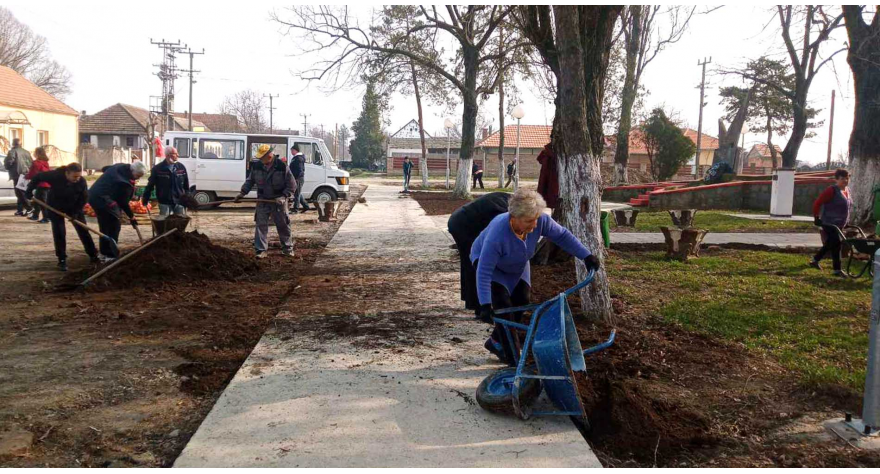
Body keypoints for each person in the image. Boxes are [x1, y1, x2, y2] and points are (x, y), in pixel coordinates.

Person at [471, 188, 601, 364]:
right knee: (503, 308)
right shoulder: (497, 234)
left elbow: (562, 236)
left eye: (536, 220)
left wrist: (586, 256)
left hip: (518, 261)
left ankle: (496, 341)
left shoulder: (540, 220)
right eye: (529, 221)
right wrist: (485, 304)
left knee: (522, 299)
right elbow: (484, 270)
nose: (534, 226)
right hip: (493, 266)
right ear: (514, 217)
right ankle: (514, 360)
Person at [448, 192, 512, 318]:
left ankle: (473, 302)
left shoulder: (508, 201)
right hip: (464, 225)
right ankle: (480, 306)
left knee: (470, 264)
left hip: (461, 221)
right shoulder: (505, 211)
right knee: (476, 263)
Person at [26, 163, 97, 271]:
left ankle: (93, 255)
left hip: (74, 206)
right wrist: (29, 190)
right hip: (55, 206)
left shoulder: (81, 181)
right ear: (67, 173)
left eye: (78, 176)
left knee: (83, 230)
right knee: (59, 232)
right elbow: (38, 177)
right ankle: (62, 259)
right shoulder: (55, 175)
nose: (77, 179)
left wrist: (75, 212)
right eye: (74, 176)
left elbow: (83, 198)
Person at [236, 144, 295, 258]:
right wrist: (242, 193)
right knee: (260, 225)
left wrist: (283, 197)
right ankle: (261, 250)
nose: (260, 160)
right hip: (262, 200)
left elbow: (292, 185)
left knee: (283, 225)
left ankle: (287, 249)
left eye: (262, 157)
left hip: (278, 202)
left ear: (269, 156)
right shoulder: (257, 166)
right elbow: (250, 181)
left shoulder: (282, 167)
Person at [88, 161, 146, 261]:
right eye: (138, 175)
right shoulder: (124, 183)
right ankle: (110, 255)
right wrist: (131, 217)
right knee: (114, 226)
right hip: (103, 199)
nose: (138, 178)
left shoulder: (120, 166)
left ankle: (104, 253)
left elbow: (105, 168)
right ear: (132, 170)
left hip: (93, 195)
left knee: (104, 226)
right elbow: (123, 203)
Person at [810, 168, 852, 277]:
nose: (845, 181)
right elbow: (817, 203)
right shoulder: (832, 190)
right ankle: (837, 270)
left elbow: (847, 208)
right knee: (836, 243)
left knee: (830, 243)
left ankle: (815, 260)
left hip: (840, 224)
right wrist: (816, 217)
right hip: (829, 222)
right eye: (842, 179)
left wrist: (847, 221)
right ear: (836, 179)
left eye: (847, 178)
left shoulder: (847, 190)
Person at [142, 146, 189, 217]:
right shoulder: (158, 169)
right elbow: (150, 185)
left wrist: (187, 197)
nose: (178, 155)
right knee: (164, 222)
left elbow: (186, 184)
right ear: (168, 155)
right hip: (164, 201)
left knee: (180, 222)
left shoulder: (181, 167)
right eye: (175, 153)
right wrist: (145, 198)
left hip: (179, 201)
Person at [5, 138, 33, 216]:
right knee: (21, 191)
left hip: (17, 174)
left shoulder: (13, 151)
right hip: (25, 174)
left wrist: (7, 167)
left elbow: (9, 161)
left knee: (19, 192)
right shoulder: (26, 152)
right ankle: (20, 210)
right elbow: (31, 162)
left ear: (13, 144)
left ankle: (29, 208)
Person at [25, 147, 52, 223]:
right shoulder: (45, 162)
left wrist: (26, 176)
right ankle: (35, 215)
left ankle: (46, 218)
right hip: (47, 183)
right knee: (37, 200)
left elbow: (33, 174)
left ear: (37, 153)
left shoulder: (36, 163)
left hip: (40, 184)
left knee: (42, 202)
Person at [289, 145, 311, 213]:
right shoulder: (296, 158)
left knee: (297, 194)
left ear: (296, 150)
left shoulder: (298, 159)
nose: (291, 152)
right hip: (296, 178)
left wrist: (296, 179)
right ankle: (306, 206)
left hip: (298, 179)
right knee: (298, 193)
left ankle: (296, 209)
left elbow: (300, 170)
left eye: (292, 150)